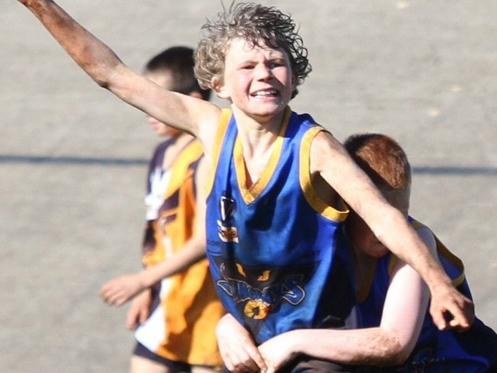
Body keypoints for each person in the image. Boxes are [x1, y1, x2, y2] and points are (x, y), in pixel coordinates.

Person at [16, 1, 474, 371]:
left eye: (276, 63)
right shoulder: (212, 130)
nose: (264, 75)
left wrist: (439, 282)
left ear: (293, 79)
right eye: (248, 65)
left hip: (317, 340)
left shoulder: (315, 148)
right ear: (218, 83)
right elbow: (110, 73)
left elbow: (383, 216)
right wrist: (39, 5)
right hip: (248, 333)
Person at [216, 133, 497, 372]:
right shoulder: (321, 243)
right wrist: (228, 325)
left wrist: (292, 342)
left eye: (401, 215)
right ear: (346, 206)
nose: (387, 229)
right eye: (374, 217)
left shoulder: (414, 245)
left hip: (451, 363)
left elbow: (395, 343)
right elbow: (270, 297)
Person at [99, 47, 224, 373]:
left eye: (157, 100)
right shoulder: (161, 154)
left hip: (208, 305)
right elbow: (156, 231)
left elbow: (205, 240)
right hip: (166, 298)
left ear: (192, 100)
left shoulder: (204, 159)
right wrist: (150, 288)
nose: (148, 110)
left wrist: (142, 280)